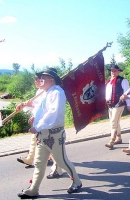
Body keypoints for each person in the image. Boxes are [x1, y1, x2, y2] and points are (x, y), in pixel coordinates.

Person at [17, 68, 82, 199]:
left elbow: (53, 113)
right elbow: (40, 109)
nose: (40, 80)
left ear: (51, 80)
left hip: (54, 135)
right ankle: (34, 189)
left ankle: (77, 181)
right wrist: (35, 118)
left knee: (62, 161)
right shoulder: (45, 93)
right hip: (42, 134)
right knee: (39, 162)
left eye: (43, 78)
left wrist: (38, 126)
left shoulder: (57, 92)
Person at [16, 70, 63, 179]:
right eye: (38, 79)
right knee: (36, 144)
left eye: (39, 79)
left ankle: (60, 169)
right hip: (39, 125)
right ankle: (31, 160)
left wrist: (38, 123)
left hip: (48, 126)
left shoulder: (54, 92)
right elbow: (37, 107)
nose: (36, 82)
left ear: (50, 80)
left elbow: (50, 111)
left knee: (53, 150)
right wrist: (25, 105)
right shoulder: (40, 92)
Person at [105, 65, 129, 149]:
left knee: (113, 122)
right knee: (115, 122)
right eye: (112, 71)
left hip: (118, 104)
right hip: (110, 105)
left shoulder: (123, 80)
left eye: (115, 71)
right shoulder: (108, 81)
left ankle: (112, 140)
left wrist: (129, 104)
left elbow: (127, 92)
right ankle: (119, 138)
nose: (113, 72)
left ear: (118, 71)